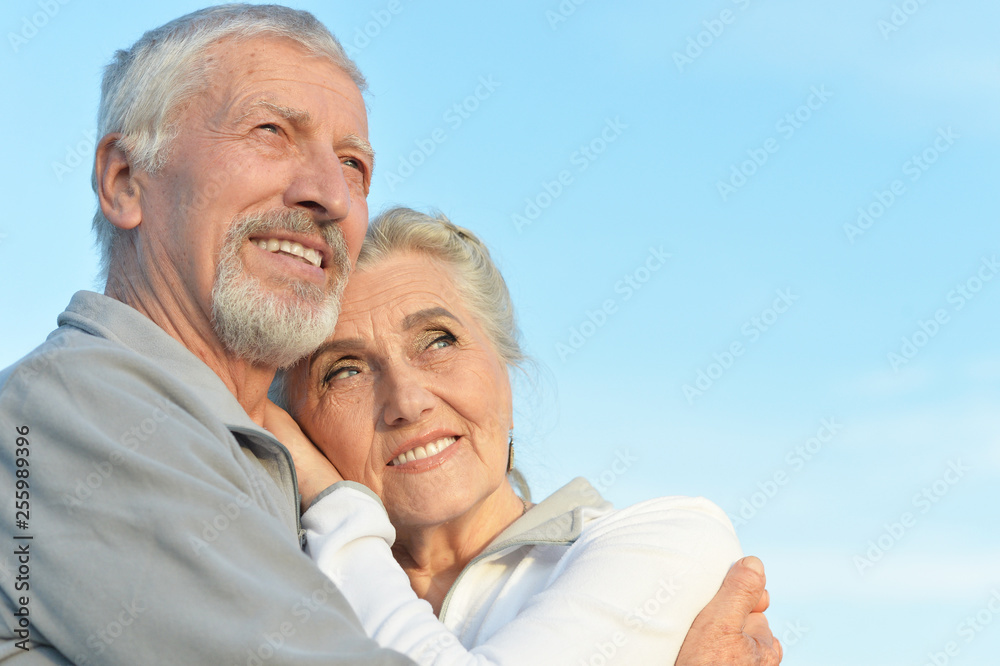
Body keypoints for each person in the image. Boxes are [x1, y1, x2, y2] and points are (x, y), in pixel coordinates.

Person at [0, 4, 778, 664]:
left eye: (353, 164)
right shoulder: (76, 408)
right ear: (124, 180)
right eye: (271, 129)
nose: (328, 192)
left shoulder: (271, 495)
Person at [272, 207, 783, 665]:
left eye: (437, 341)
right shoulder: (264, 601)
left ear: (505, 369)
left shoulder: (670, 542)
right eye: (343, 371)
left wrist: (331, 501)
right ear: (292, 420)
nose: (407, 401)